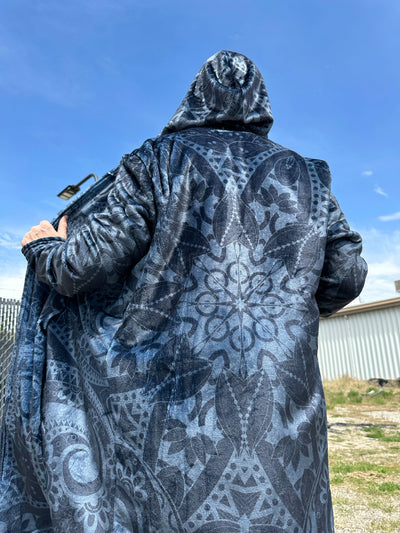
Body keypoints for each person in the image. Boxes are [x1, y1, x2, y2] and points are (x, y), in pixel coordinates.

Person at [1, 51, 366, 532]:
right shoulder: (309, 176)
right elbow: (346, 277)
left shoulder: (156, 161)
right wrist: (284, 305)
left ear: (195, 97)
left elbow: (83, 267)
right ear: (260, 103)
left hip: (173, 424)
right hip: (280, 412)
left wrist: (43, 245)